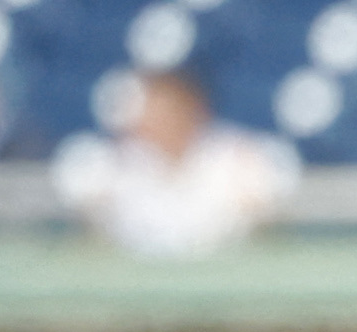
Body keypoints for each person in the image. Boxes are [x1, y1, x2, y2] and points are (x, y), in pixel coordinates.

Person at [71, 69, 295, 258]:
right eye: (150, 110)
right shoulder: (110, 162)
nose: (157, 120)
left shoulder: (241, 158)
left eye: (167, 109)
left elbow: (263, 234)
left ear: (193, 109)